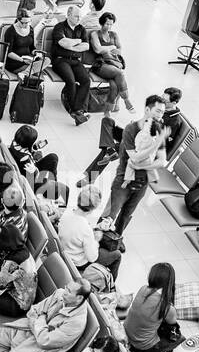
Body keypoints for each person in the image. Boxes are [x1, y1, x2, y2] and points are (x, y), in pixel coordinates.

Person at [103, 93, 166, 234]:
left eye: (162, 112)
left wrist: (143, 166)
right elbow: (135, 158)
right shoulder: (131, 129)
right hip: (123, 179)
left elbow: (161, 161)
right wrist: (154, 148)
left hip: (143, 182)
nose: (160, 115)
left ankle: (116, 238)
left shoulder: (159, 130)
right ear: (147, 110)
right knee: (110, 213)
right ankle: (98, 239)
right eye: (157, 111)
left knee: (126, 215)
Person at [50, 3, 91, 123]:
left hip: (75, 61)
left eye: (80, 17)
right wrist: (77, 41)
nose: (79, 19)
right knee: (71, 81)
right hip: (60, 60)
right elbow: (63, 43)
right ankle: (76, 111)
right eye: (76, 16)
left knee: (85, 80)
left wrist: (71, 45)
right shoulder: (59, 27)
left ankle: (77, 111)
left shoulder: (81, 29)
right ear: (68, 15)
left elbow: (86, 46)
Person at [125, 263, 178, 352]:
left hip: (127, 333)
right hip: (142, 346)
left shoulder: (143, 289)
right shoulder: (167, 307)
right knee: (178, 338)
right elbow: (173, 324)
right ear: (170, 282)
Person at [89, 11, 133, 112]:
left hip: (113, 63)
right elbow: (97, 50)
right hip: (100, 64)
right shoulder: (95, 34)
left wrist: (106, 49)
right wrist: (111, 47)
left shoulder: (114, 35)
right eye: (107, 24)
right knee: (120, 73)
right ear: (101, 23)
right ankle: (126, 100)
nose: (109, 27)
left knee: (114, 85)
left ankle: (108, 111)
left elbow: (119, 50)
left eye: (111, 24)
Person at [57, 186, 101, 271]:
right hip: (77, 264)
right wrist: (96, 241)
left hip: (63, 254)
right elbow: (92, 258)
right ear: (93, 209)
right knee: (116, 255)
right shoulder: (86, 229)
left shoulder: (65, 214)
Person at [1, 7, 40, 74]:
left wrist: (36, 53)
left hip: (28, 60)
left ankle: (26, 73)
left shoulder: (30, 29)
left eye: (28, 22)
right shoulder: (10, 31)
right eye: (23, 23)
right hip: (15, 62)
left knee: (47, 60)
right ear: (18, 20)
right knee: (36, 71)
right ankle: (28, 73)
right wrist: (22, 60)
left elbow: (31, 48)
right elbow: (9, 53)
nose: (26, 25)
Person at [162, 87, 186, 157]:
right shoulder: (163, 108)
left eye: (164, 101)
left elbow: (165, 143)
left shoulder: (174, 122)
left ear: (173, 103)